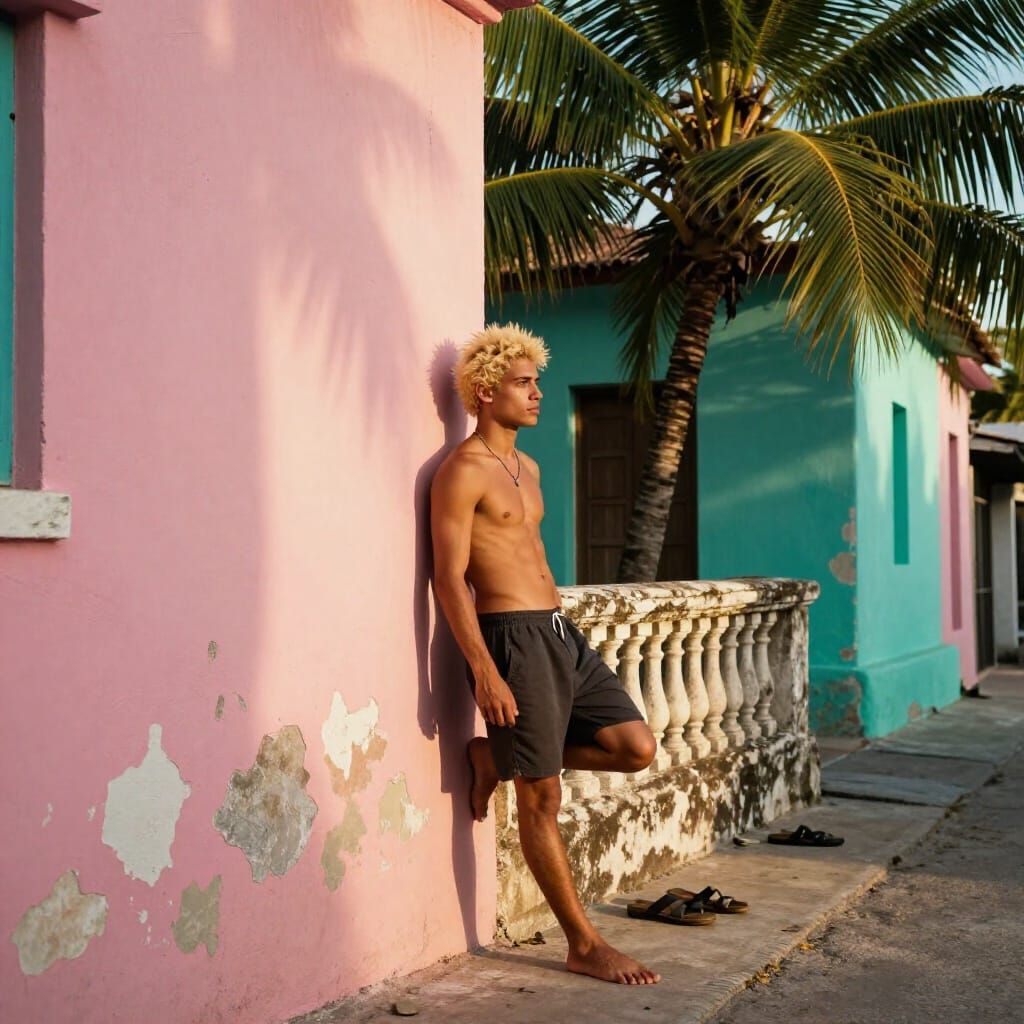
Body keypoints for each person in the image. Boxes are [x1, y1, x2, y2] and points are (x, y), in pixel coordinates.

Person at [430, 323, 661, 986]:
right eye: (524, 383)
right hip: (511, 636)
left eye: (538, 382)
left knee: (635, 747)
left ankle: (492, 756)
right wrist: (483, 670)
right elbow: (449, 579)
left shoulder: (528, 467)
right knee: (542, 797)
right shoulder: (461, 472)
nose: (538, 395)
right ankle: (583, 943)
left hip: (559, 633)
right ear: (484, 390)